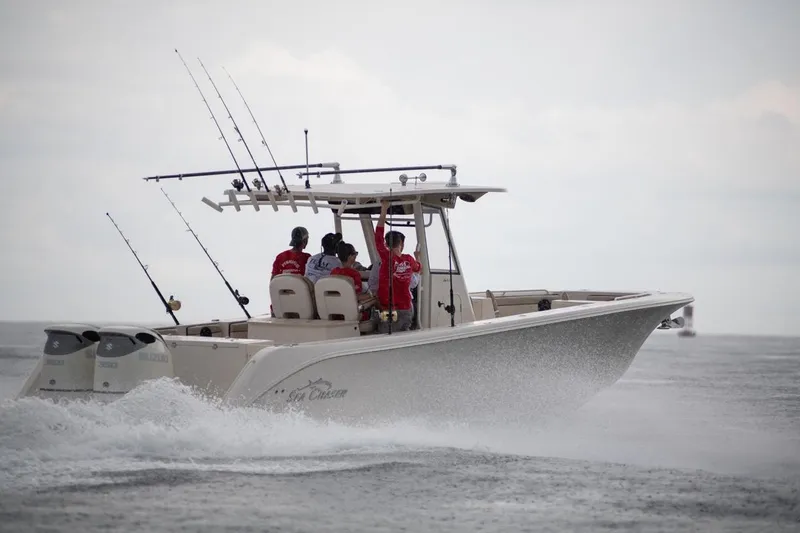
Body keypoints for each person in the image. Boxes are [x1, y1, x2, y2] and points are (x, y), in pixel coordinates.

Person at [374, 199, 421, 332]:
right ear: (402, 244)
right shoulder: (409, 260)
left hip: (389, 309)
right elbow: (418, 268)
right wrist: (418, 256)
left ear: (386, 245)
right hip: (407, 309)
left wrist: (384, 210)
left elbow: (378, 236)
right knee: (404, 334)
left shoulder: (386, 257)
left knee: (384, 336)